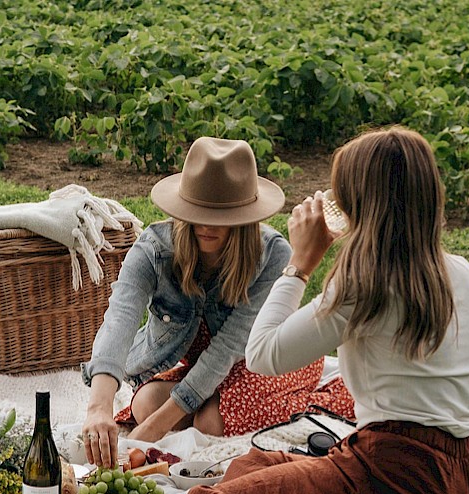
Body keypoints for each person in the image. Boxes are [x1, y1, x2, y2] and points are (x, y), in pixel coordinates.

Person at [167, 127, 469, 494]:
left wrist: (300, 263)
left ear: (360, 205)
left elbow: (262, 354)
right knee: (250, 464)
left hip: (389, 477)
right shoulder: (460, 273)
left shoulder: (362, 288)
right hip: (452, 484)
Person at [80, 137, 330, 469]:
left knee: (209, 423)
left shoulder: (271, 255)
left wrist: (150, 432)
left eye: (221, 216)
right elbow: (120, 318)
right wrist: (99, 406)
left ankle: (309, 400)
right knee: (146, 404)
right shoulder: (154, 250)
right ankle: (205, 400)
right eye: (198, 212)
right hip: (197, 364)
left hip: (260, 358)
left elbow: (228, 348)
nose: (207, 224)